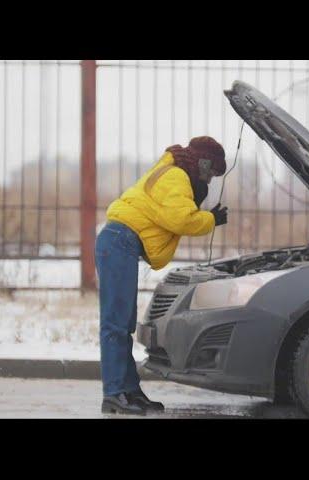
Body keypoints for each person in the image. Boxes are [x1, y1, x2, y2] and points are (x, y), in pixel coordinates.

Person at [96, 136, 229, 415]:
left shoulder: (175, 173)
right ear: (203, 162)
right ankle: (114, 393)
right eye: (212, 171)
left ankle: (129, 391)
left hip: (121, 243)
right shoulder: (176, 176)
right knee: (116, 324)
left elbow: (178, 213)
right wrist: (211, 220)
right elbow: (180, 219)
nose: (211, 179)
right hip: (120, 241)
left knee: (124, 323)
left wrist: (204, 213)